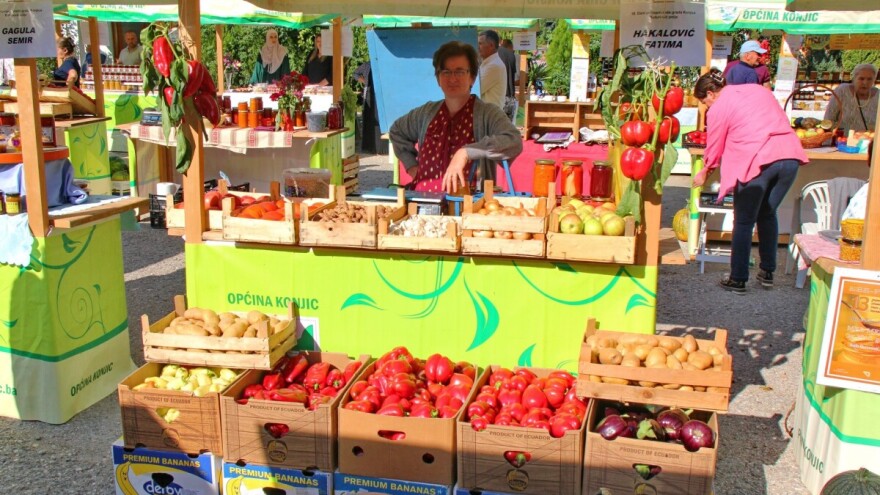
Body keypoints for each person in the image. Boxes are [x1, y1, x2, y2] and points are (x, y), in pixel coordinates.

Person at [692, 68, 808, 294]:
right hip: (789, 155)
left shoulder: (718, 108)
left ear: (710, 93)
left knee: (744, 220)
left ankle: (738, 278)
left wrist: (706, 170)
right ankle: (767, 272)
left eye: (705, 102)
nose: (706, 107)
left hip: (758, 160)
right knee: (767, 213)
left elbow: (714, 144)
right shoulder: (758, 90)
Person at [389, 41, 522, 194]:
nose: (452, 79)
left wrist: (466, 152)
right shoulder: (426, 112)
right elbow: (396, 131)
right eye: (446, 72)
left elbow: (514, 141)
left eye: (459, 72)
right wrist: (412, 166)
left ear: (472, 77)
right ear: (438, 78)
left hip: (468, 208)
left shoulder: (488, 113)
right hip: (423, 207)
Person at [824, 63, 878, 133]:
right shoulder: (842, 91)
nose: (865, 82)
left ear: (874, 80)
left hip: (869, 141)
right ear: (854, 78)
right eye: (861, 79)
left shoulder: (878, 96)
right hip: (842, 141)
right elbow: (828, 119)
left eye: (869, 79)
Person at [352, 61, 387, 155]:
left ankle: (382, 148)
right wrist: (363, 80)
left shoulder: (384, 63)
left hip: (382, 95)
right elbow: (355, 74)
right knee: (370, 121)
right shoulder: (368, 65)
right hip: (369, 95)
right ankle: (370, 147)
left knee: (380, 121)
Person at [477, 30, 507, 111]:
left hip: (490, 119)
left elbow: (475, 89)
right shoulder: (488, 64)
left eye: (480, 43)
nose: (477, 47)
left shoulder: (494, 66)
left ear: (491, 45)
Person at [498, 38, 518, 122]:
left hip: (497, 97)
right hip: (510, 97)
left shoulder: (492, 54)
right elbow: (513, 75)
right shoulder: (511, 55)